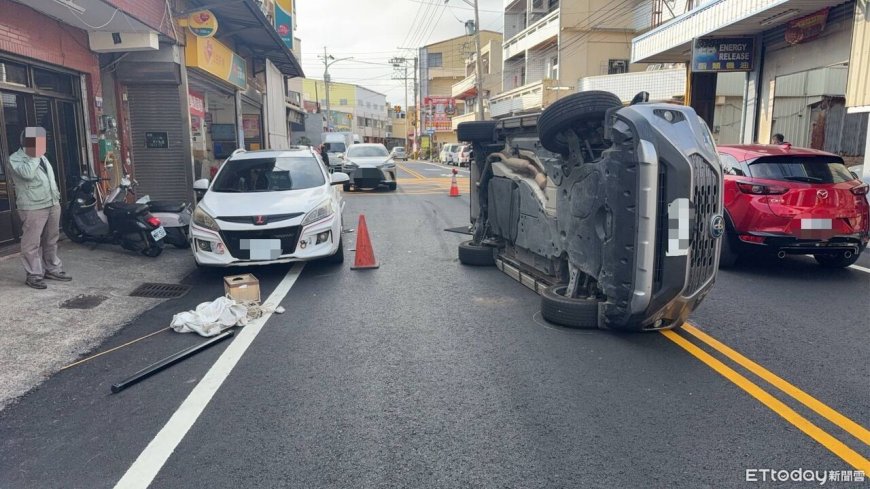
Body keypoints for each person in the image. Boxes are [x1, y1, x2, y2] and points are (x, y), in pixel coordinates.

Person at [9, 127, 71, 289]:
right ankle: (34, 274)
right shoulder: (16, 159)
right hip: (32, 206)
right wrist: (34, 155)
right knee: (32, 242)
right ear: (26, 142)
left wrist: (56, 197)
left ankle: (52, 268)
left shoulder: (42, 157)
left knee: (51, 239)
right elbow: (28, 174)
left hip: (51, 203)